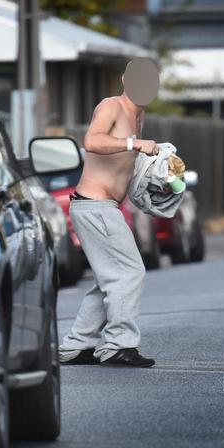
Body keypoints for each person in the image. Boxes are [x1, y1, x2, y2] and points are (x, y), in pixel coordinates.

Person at [59, 58, 160, 368]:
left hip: (104, 207)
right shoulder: (112, 105)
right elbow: (92, 141)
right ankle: (118, 345)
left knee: (109, 279)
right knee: (130, 272)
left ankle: (77, 345)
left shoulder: (138, 115)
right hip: (94, 206)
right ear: (125, 80)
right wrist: (134, 142)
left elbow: (125, 167)